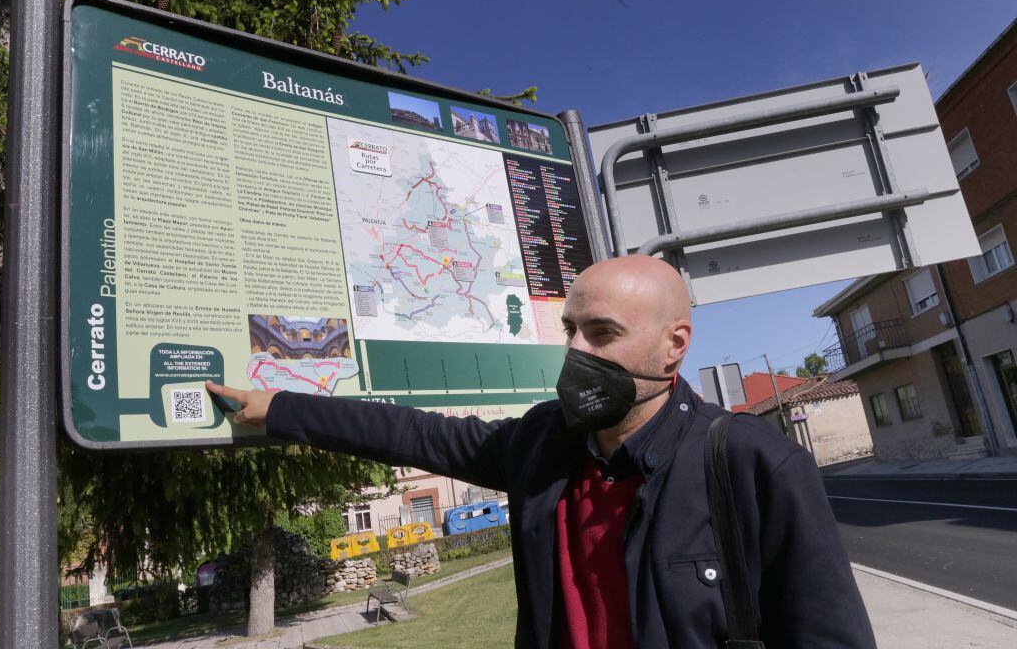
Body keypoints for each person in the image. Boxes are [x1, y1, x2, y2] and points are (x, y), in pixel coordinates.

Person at [207, 255, 875, 648]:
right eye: (571, 330)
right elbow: (411, 434)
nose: (578, 351)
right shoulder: (540, 445)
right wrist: (283, 410)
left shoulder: (752, 464)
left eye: (602, 332)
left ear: (674, 345)